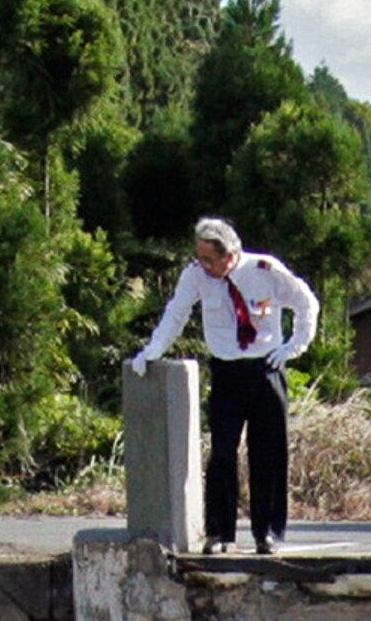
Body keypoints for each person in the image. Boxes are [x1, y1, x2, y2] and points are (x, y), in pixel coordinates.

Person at [130, 219, 320, 555]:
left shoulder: (264, 269)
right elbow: (177, 313)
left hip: (265, 370)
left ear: (229, 256)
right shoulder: (194, 276)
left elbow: (307, 303)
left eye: (209, 260)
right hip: (226, 372)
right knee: (221, 454)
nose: (203, 266)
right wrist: (153, 350)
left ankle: (268, 533)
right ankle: (219, 533)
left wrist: (293, 347)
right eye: (200, 258)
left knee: (268, 454)